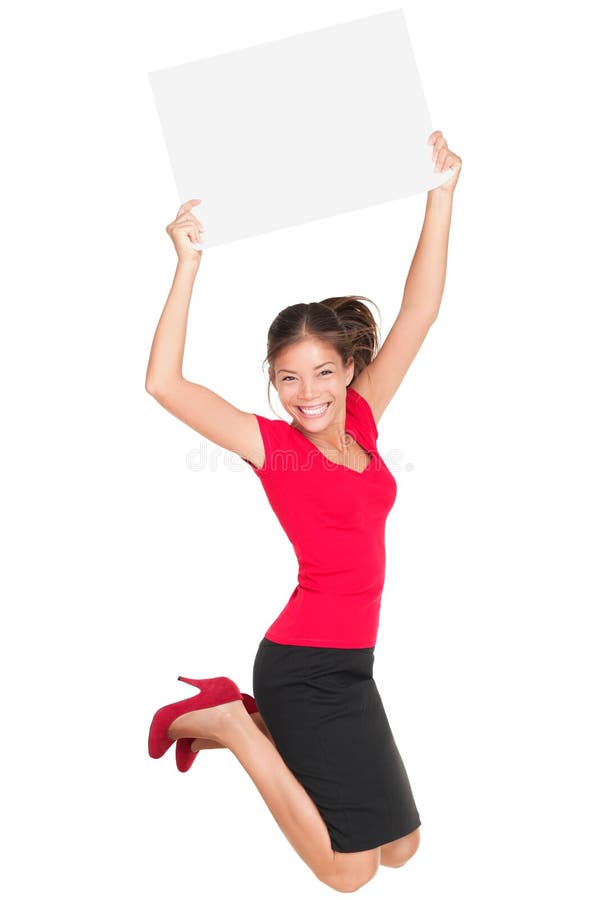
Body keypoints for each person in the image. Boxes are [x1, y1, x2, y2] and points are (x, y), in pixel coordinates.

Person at [146, 130, 462, 893]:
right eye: (288, 378)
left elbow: (418, 314)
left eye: (323, 372)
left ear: (349, 369)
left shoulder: (359, 419)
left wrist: (441, 194)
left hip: (354, 669)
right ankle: (230, 723)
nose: (308, 392)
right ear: (275, 385)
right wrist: (188, 263)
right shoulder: (276, 448)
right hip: (301, 668)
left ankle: (249, 726)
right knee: (350, 873)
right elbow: (164, 383)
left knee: (403, 850)